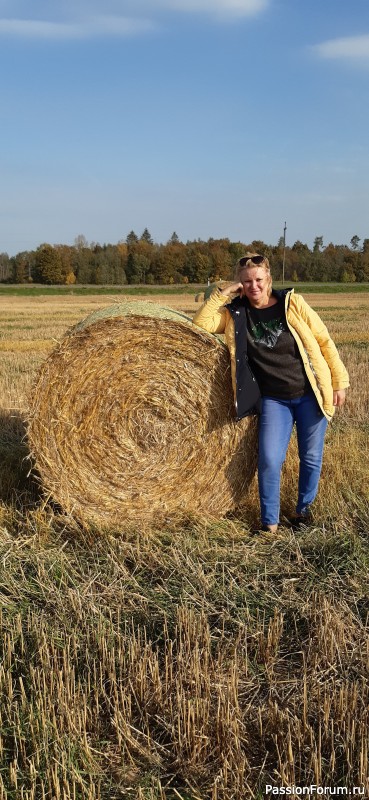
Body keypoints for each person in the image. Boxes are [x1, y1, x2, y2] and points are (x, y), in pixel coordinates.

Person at [193, 253, 349, 533]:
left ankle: (304, 513)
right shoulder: (236, 314)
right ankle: (270, 523)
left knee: (311, 457)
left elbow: (324, 340)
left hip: (309, 393)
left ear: (269, 279)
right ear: (240, 284)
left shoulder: (293, 304)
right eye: (247, 282)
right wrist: (223, 293)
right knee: (269, 460)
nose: (254, 286)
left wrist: (339, 381)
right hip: (274, 400)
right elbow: (201, 324)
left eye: (259, 280)